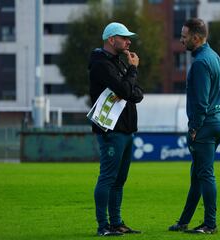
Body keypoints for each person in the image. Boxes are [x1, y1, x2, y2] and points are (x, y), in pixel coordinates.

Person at [168, 18, 220, 234]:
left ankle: (210, 224)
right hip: (219, 121)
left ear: (195, 37)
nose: (181, 40)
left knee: (205, 174)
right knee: (198, 175)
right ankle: (184, 221)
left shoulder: (201, 62)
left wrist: (194, 128)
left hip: (206, 124)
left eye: (184, 37)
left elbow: (201, 102)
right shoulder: (215, 58)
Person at [88, 22, 143, 236]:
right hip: (111, 131)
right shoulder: (102, 63)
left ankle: (116, 222)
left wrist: (128, 85)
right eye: (124, 37)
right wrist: (133, 70)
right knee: (108, 178)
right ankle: (103, 226)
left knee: (119, 180)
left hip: (126, 130)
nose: (129, 41)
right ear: (112, 39)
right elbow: (125, 89)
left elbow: (136, 93)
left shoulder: (117, 62)